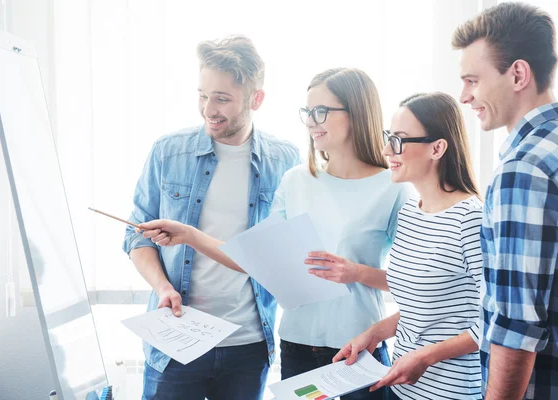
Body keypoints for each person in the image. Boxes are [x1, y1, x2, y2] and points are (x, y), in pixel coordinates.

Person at [138, 67, 413, 399]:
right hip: (297, 347)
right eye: (307, 113)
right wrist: (188, 235)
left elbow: (417, 285)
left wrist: (356, 272)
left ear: (356, 112)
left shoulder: (393, 187)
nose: (312, 121)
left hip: (360, 348)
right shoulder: (297, 180)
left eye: (321, 111)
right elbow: (255, 259)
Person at [122, 34, 300, 400]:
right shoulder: (168, 152)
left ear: (257, 99)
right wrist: (163, 287)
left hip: (248, 345)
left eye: (221, 98)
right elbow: (136, 236)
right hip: (174, 340)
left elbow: (284, 257)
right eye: (202, 95)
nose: (208, 109)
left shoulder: (287, 161)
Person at [453, 3, 558, 399]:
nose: (464, 96)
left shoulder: (525, 169)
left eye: (472, 80)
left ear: (518, 74)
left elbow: (517, 330)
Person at [327, 92, 483, 399]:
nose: (386, 150)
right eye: (388, 137)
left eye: (398, 140)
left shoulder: (471, 219)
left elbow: (496, 321)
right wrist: (372, 334)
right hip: (404, 389)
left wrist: (426, 356)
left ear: (437, 148)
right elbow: (422, 312)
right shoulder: (411, 212)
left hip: (451, 392)